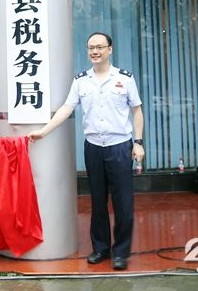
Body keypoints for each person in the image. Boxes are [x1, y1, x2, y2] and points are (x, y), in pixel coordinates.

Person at [28, 32, 144, 271]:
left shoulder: (124, 78)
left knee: (123, 202)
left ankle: (120, 252)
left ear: (110, 50)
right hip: (93, 148)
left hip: (120, 146)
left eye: (100, 47)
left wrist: (139, 142)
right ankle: (100, 248)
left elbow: (137, 111)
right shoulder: (81, 80)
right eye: (91, 47)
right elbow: (66, 108)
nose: (95, 51)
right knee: (97, 201)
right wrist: (44, 131)